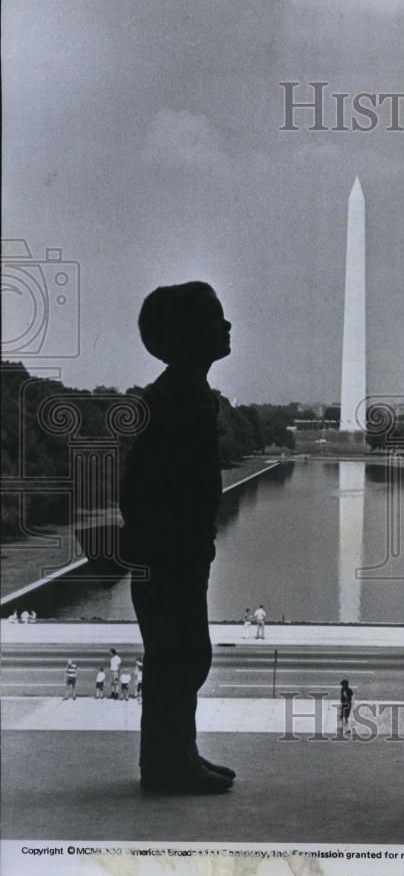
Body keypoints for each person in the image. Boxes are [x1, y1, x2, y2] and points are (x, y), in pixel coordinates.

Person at [120, 281, 235, 794]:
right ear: (185, 336)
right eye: (214, 317)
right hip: (168, 551)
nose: (226, 325)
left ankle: (180, 753)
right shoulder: (172, 399)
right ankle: (165, 765)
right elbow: (142, 483)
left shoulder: (190, 394)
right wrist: (168, 540)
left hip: (182, 548)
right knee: (176, 655)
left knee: (187, 654)